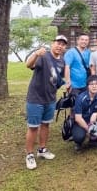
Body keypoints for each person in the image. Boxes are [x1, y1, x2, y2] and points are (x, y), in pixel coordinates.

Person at [24, 35, 68, 170]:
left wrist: (66, 83)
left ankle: (42, 150)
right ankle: (29, 155)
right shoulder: (43, 56)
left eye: (63, 44)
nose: (59, 46)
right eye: (57, 43)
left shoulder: (62, 62)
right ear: (52, 43)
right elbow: (28, 65)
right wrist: (36, 54)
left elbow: (57, 79)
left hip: (50, 99)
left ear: (65, 47)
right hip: (35, 98)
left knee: (46, 125)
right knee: (33, 127)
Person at [72, 75, 97, 151]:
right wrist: (89, 130)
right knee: (78, 137)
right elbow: (78, 118)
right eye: (92, 84)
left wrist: (95, 114)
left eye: (96, 84)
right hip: (81, 122)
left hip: (94, 121)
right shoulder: (80, 98)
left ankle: (95, 141)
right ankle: (79, 143)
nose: (94, 86)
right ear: (87, 86)